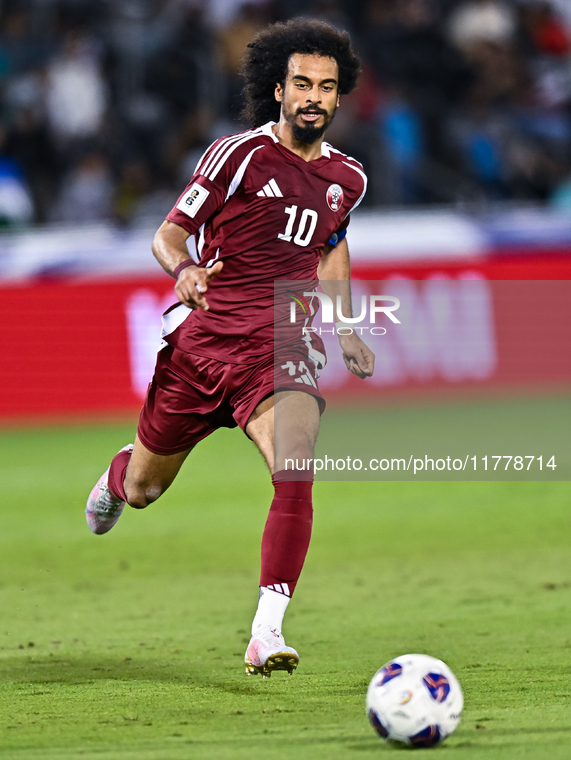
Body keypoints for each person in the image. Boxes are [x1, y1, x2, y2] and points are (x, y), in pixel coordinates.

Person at [85, 18, 375, 678]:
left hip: (282, 342)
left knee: (294, 462)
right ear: (278, 89)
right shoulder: (236, 154)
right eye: (301, 83)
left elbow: (330, 249)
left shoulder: (349, 177)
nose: (313, 97)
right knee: (145, 489)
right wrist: (182, 269)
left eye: (326, 87)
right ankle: (119, 473)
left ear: (338, 97)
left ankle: (265, 631)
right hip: (205, 342)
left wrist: (347, 326)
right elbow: (168, 233)